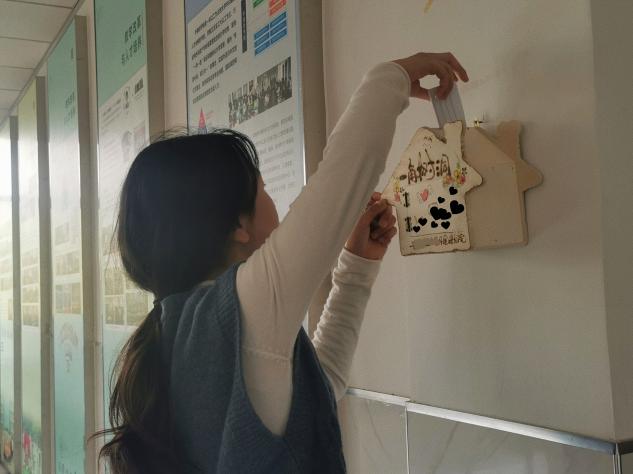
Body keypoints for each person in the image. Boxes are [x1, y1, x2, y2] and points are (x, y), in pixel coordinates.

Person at [94, 52, 468, 473]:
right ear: (239, 224)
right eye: (264, 189)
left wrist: (357, 265)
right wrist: (392, 76)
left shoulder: (178, 328)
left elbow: (318, 388)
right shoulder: (237, 311)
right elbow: (344, 176)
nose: (275, 203)